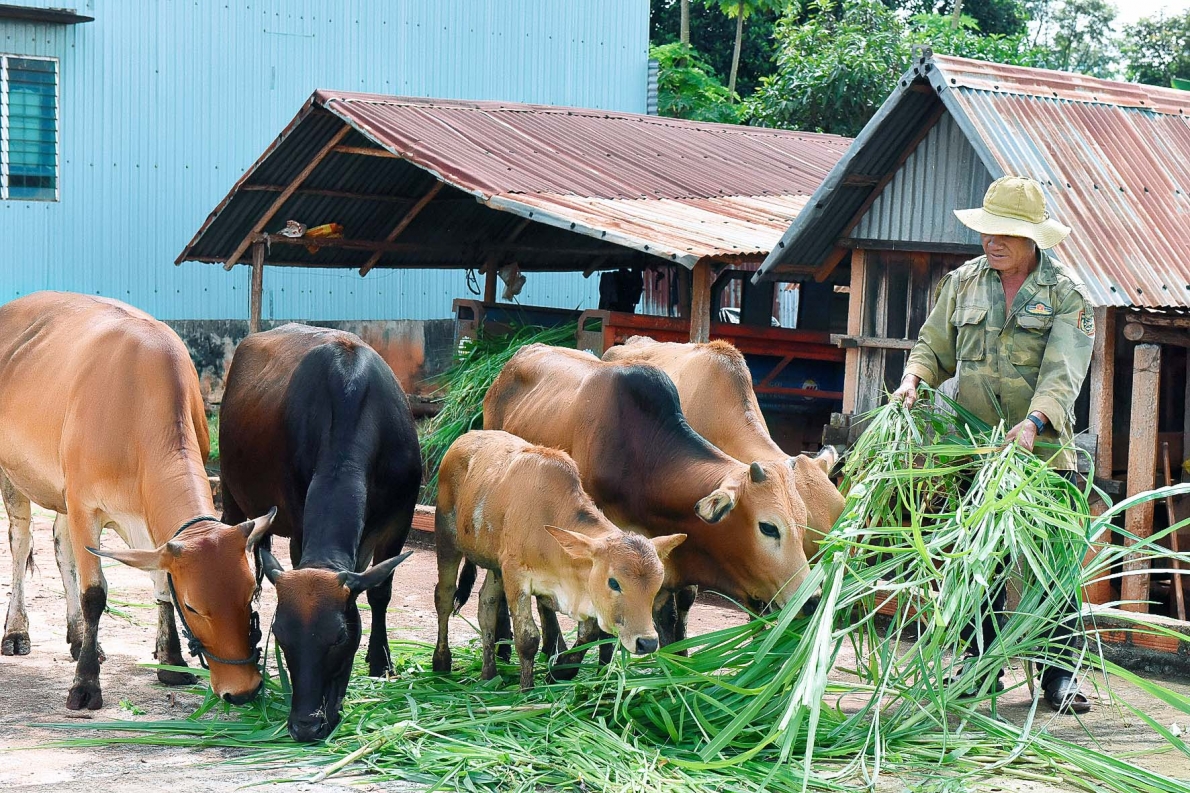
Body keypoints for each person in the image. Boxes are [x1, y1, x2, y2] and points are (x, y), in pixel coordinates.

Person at [891, 175, 1095, 714]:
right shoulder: (962, 283)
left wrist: (1033, 423)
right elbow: (934, 346)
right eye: (988, 230)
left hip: (1042, 455)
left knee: (1052, 565)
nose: (993, 241)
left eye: (1006, 232)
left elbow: (1063, 375)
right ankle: (977, 666)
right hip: (976, 454)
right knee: (979, 562)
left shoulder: (1066, 295)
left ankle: (1061, 675)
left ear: (1034, 240)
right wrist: (914, 378)